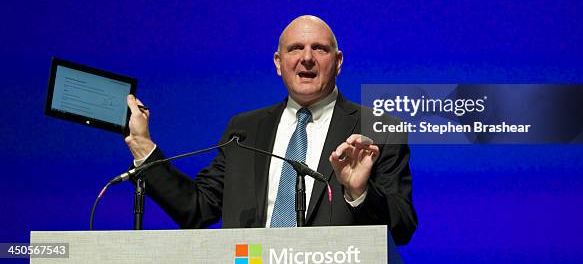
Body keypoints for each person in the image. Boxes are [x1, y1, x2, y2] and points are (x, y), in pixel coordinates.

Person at [125, 15, 417, 245]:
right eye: (295, 49)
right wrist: (142, 145)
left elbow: (403, 227)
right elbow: (196, 208)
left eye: (319, 48)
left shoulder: (378, 129)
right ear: (279, 63)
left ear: (338, 62)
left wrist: (360, 192)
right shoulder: (244, 130)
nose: (307, 58)